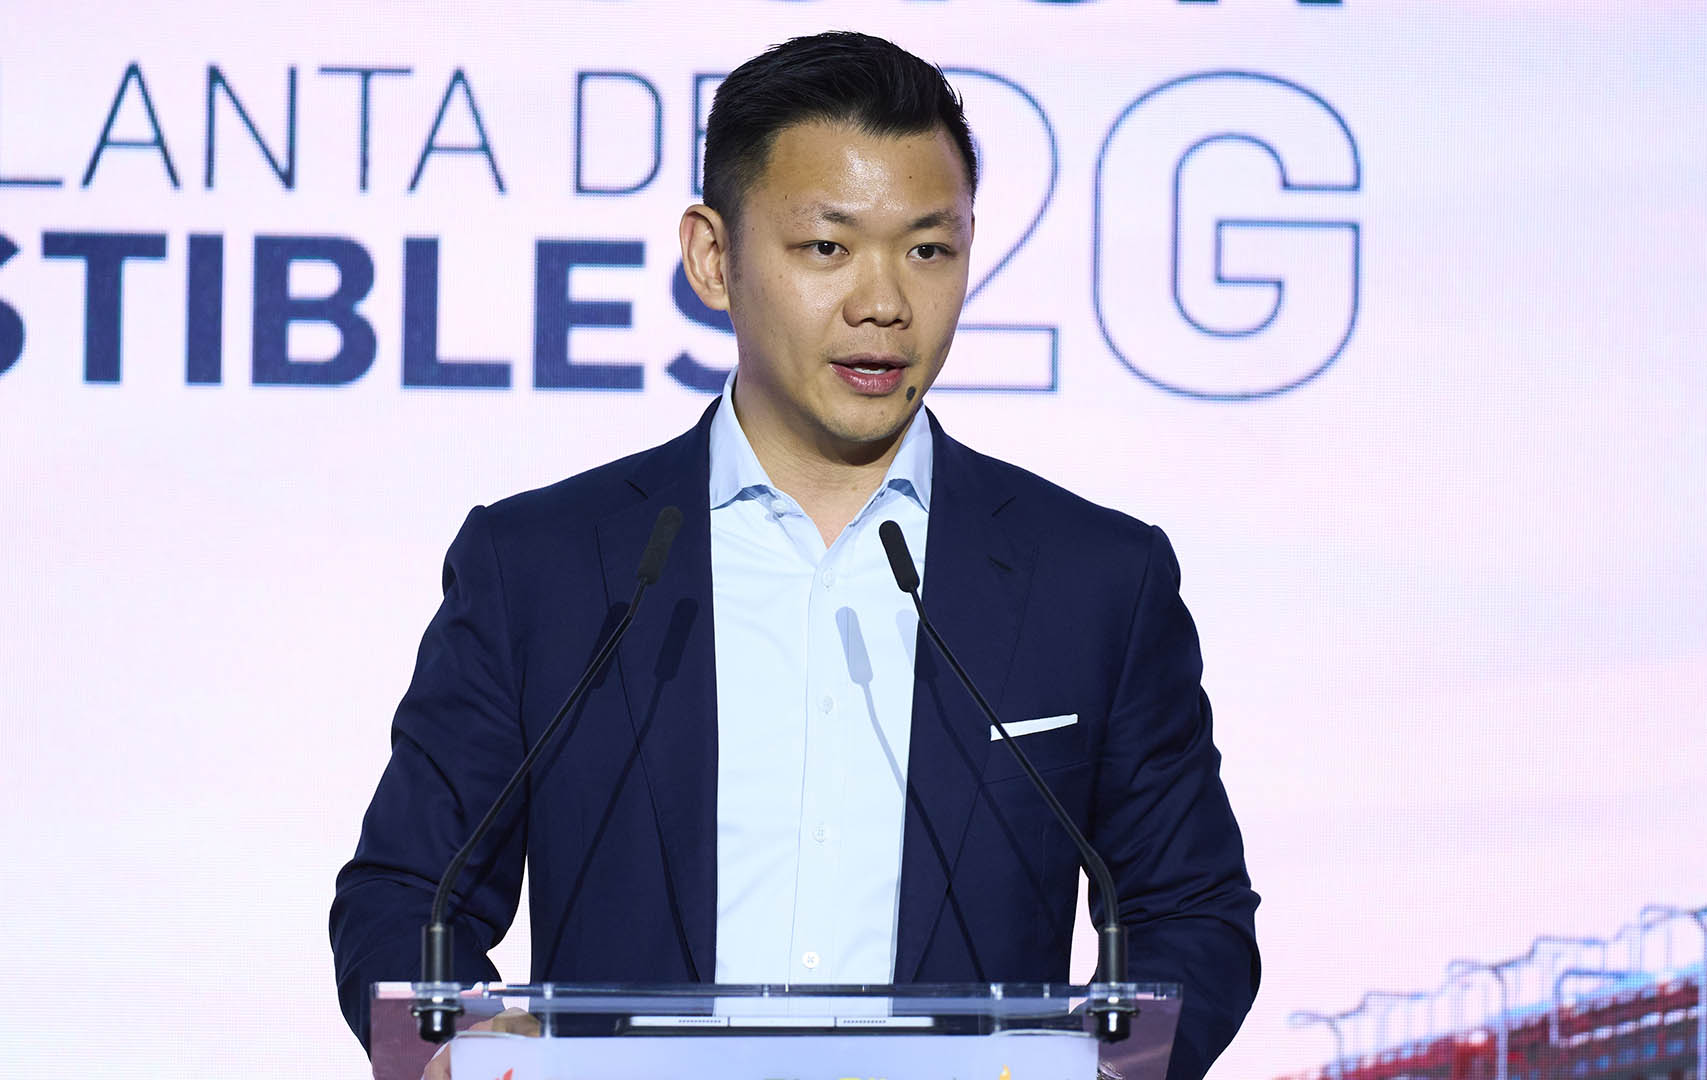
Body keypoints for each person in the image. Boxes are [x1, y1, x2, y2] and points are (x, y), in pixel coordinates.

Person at [330, 31, 1259, 1079]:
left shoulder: (1097, 581)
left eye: (929, 249)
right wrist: (458, 1046)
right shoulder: (542, 567)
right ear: (713, 258)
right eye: (828, 248)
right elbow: (407, 895)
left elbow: (1194, 913)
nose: (884, 304)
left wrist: (1107, 1067)